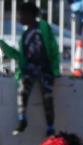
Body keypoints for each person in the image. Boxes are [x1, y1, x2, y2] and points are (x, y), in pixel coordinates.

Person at [0, 2, 59, 137]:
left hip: (45, 68)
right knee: (23, 90)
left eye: (21, 15)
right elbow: (20, 56)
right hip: (30, 69)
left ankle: (50, 127)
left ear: (30, 15)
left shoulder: (43, 28)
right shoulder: (25, 35)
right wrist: (3, 46)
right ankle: (22, 119)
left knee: (47, 97)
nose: (19, 18)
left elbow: (53, 48)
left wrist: (55, 68)